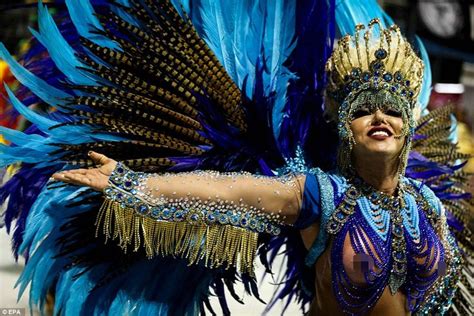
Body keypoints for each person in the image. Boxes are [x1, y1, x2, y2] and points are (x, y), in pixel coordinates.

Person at [0, 1, 471, 315]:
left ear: (410, 123)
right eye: (362, 110)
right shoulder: (321, 195)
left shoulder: (426, 203)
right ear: (344, 128)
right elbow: (221, 192)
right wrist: (128, 181)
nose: (378, 118)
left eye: (390, 109)